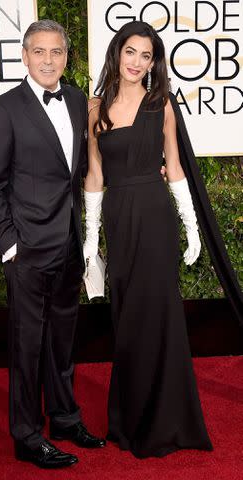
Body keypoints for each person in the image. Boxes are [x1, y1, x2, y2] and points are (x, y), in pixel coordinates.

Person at [83, 20, 242, 458]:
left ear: (155, 62)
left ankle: (168, 419)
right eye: (130, 52)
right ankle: (131, 417)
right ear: (117, 53)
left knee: (159, 313)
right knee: (127, 317)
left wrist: (191, 225)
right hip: (118, 218)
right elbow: (94, 176)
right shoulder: (95, 109)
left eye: (146, 55)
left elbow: (173, 167)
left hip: (154, 216)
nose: (137, 62)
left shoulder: (163, 104)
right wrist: (89, 240)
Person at [0, 19, 105, 470]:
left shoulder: (76, 100)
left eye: (56, 52)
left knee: (62, 342)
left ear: (66, 58)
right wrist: (10, 247)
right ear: (25, 56)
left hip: (69, 244)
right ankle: (27, 436)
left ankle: (66, 419)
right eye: (39, 52)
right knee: (27, 346)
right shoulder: (3, 110)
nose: (48, 60)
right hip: (27, 250)